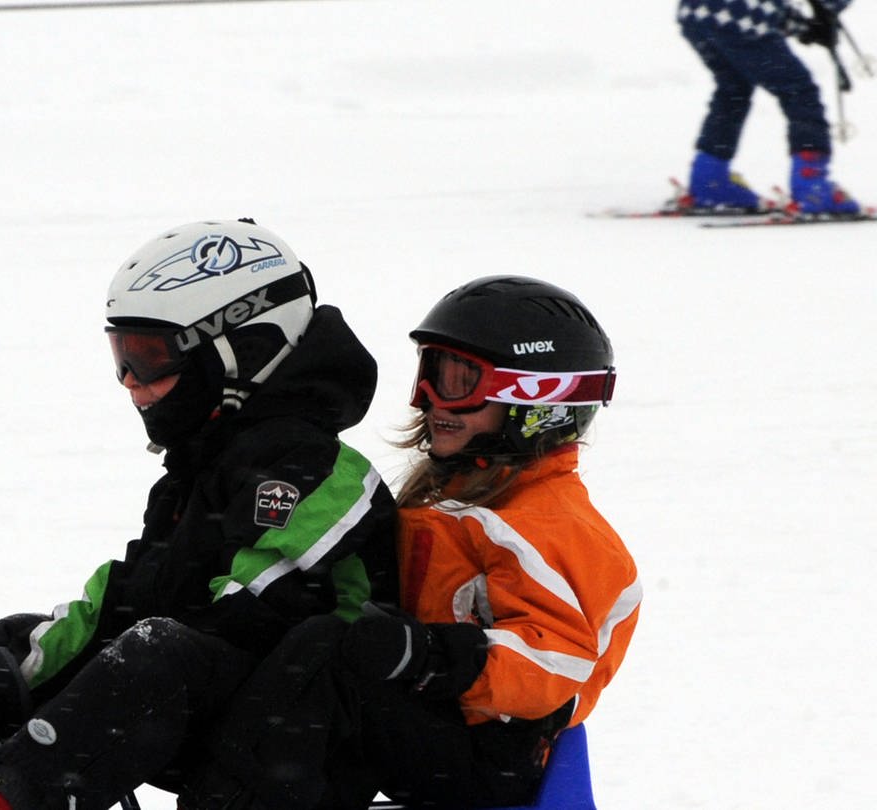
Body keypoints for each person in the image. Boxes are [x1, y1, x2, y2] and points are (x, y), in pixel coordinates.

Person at [0, 219, 399, 810]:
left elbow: (254, 610)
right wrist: (13, 682)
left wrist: (82, 697)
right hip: (210, 712)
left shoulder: (320, 470)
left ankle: (4, 800)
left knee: (153, 652)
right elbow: (131, 597)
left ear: (240, 351)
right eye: (121, 357)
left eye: (149, 359)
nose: (130, 383)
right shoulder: (200, 470)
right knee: (20, 647)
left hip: (311, 740)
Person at [186, 275, 642, 809]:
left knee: (327, 649)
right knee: (294, 639)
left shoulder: (548, 525)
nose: (429, 399)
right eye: (427, 373)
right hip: (433, 724)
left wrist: (433, 656)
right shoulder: (448, 502)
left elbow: (560, 661)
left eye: (456, 380)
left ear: (535, 397)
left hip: (491, 755)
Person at [676, 0, 863, 214]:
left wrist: (806, 28)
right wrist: (828, 11)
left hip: (695, 13)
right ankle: (811, 186)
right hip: (740, 16)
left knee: (733, 88)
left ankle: (709, 180)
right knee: (799, 91)